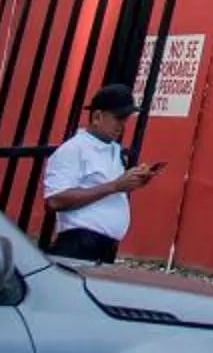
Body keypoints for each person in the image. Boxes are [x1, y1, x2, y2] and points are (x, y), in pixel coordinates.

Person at [40, 83, 158, 263]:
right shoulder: (73, 150)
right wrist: (114, 186)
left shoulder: (114, 150)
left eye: (125, 119)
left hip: (105, 247)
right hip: (80, 244)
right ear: (97, 117)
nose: (122, 125)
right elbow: (55, 200)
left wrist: (132, 183)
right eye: (118, 118)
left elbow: (110, 189)